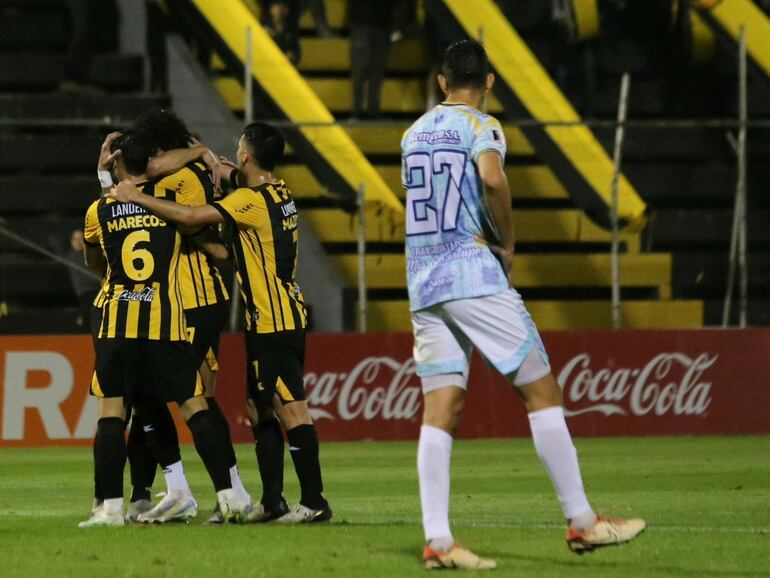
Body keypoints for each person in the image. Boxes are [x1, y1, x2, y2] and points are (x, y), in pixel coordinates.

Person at [400, 40, 646, 569]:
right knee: (541, 389)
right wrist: (507, 243)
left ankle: (439, 541)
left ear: (442, 82)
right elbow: (491, 179)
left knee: (442, 408)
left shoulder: (412, 132)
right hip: (470, 272)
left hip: (422, 279)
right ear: (489, 81)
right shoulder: (482, 128)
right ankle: (582, 522)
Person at [108, 122, 332, 524]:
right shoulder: (279, 192)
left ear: (247, 154)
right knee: (258, 407)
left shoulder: (250, 200)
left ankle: (314, 501)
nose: (234, 154)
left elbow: (194, 215)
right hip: (279, 314)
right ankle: (272, 501)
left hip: (273, 322)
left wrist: (136, 199)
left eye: (238, 149)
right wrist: (207, 155)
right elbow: (226, 178)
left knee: (290, 409)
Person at [78, 131, 250, 528]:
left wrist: (105, 183)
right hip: (167, 323)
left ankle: (108, 510)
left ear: (118, 163)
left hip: (118, 322)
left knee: (112, 414)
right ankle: (229, 495)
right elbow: (214, 242)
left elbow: (93, 260)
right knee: (195, 407)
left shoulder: (98, 211)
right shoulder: (168, 207)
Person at [129, 109, 250, 523]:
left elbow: (193, 225)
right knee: (200, 399)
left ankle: (187, 491)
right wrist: (201, 149)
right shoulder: (197, 163)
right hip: (197, 298)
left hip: (188, 300)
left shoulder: (176, 177)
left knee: (168, 395)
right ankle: (232, 491)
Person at [348, 0, 395, 118]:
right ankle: (357, 111)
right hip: (363, 22)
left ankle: (371, 111)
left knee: (376, 71)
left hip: (380, 22)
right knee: (360, 69)